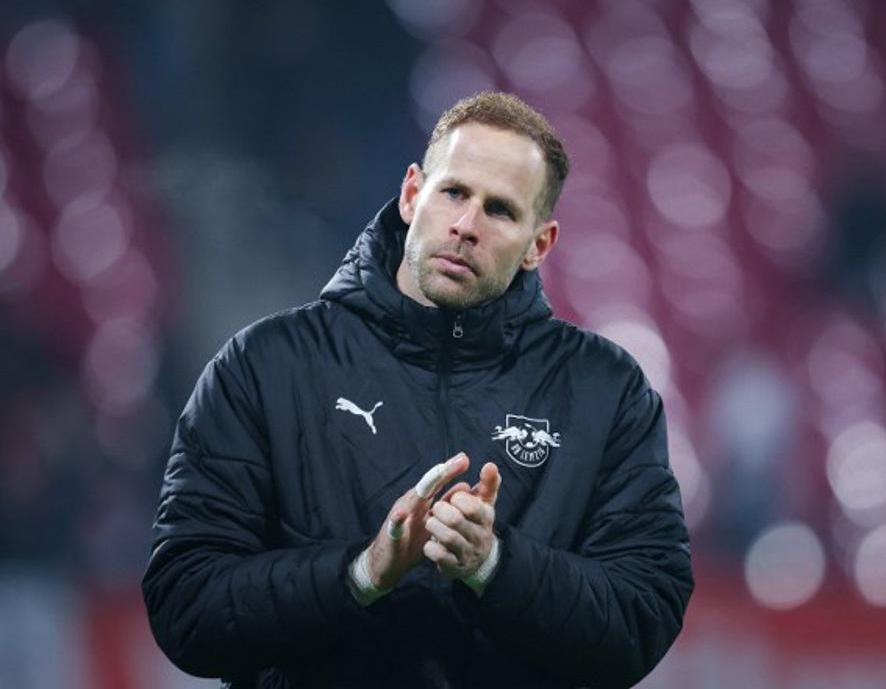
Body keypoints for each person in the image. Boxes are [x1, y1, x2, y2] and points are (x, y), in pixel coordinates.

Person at [142, 91, 694, 688]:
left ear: (539, 245)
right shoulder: (264, 366)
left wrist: (494, 565)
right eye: (453, 192)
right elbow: (186, 606)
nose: (466, 226)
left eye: (500, 210)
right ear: (412, 194)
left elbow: (641, 617)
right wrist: (361, 574)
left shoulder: (606, 391)